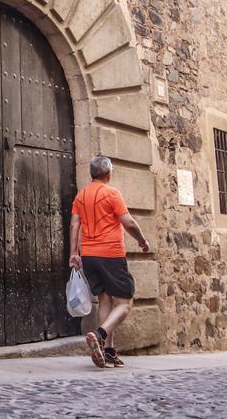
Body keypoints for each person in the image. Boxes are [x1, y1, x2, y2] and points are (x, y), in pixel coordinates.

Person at [68, 155, 152, 368]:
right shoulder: (112, 193)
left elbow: (74, 225)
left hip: (89, 255)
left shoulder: (81, 195)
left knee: (105, 300)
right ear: (108, 173)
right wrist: (142, 241)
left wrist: (74, 253)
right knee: (124, 302)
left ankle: (108, 352)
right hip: (111, 254)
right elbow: (128, 222)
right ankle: (99, 334)